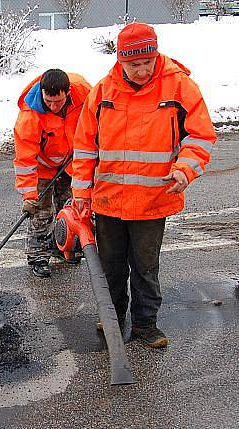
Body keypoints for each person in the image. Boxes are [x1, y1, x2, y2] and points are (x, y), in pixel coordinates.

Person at [71, 22, 216, 348]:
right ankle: (112, 318)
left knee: (146, 268)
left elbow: (201, 135)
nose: (141, 70)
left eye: (146, 62)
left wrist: (185, 170)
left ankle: (145, 326)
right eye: (133, 64)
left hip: (153, 199)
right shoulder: (103, 91)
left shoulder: (179, 87)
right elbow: (84, 146)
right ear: (121, 61)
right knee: (110, 268)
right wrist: (80, 192)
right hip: (108, 201)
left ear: (155, 55)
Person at [12, 69, 92, 278]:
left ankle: (61, 244)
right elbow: (25, 160)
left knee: (69, 206)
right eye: (49, 102)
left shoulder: (83, 93)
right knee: (41, 212)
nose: (54, 107)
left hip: (70, 161)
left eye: (58, 102)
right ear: (42, 93)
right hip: (42, 164)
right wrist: (29, 196)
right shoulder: (30, 115)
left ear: (68, 92)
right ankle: (38, 256)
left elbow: (97, 122)